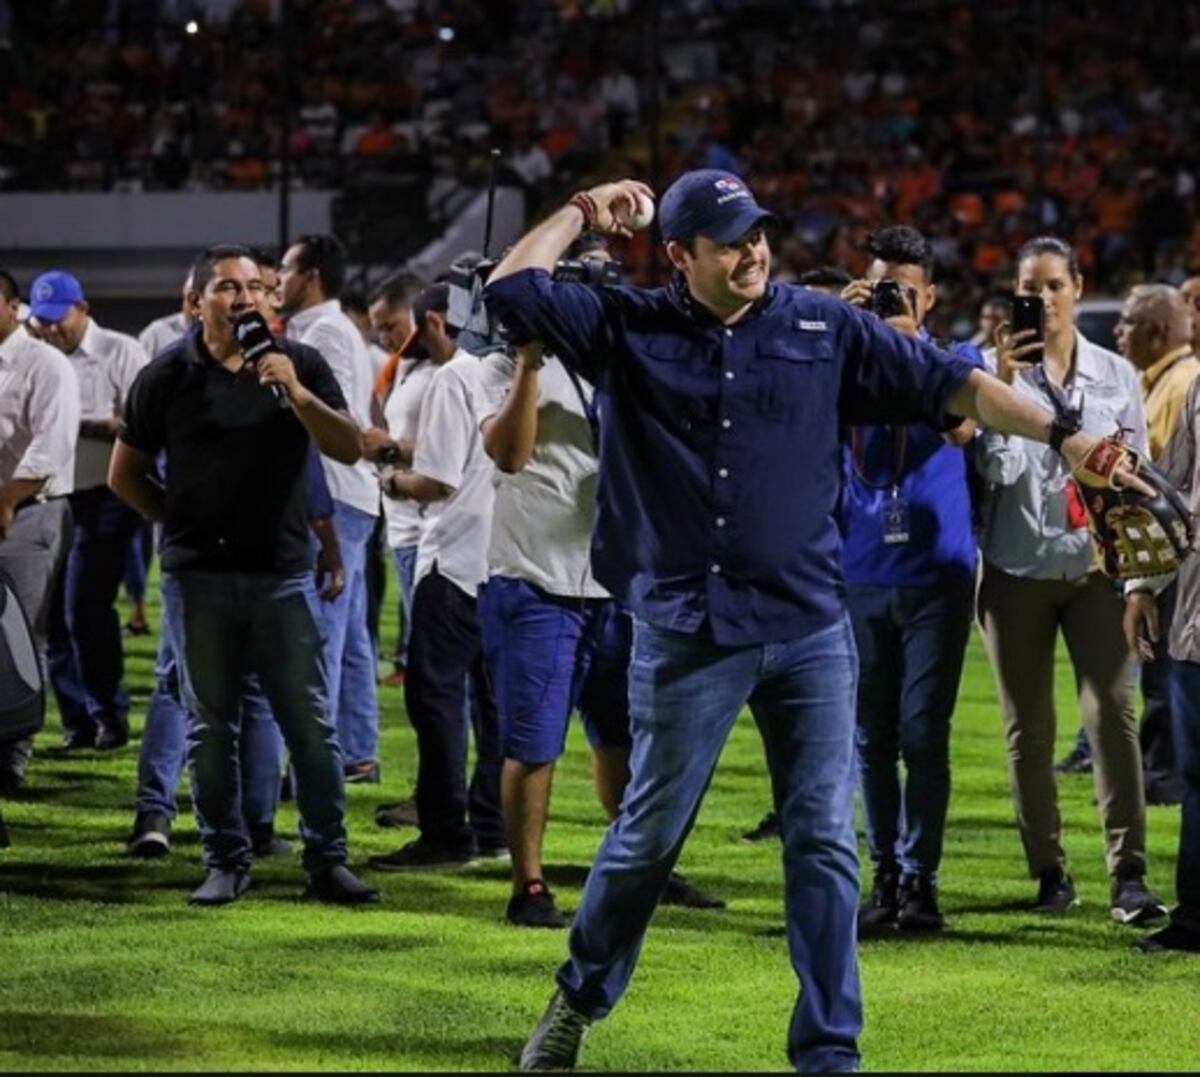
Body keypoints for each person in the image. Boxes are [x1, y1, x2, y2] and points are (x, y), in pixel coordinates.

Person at [483, 170, 1139, 1073]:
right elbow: (511, 289)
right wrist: (586, 212)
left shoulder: (821, 325)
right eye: (729, 239)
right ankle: (579, 996)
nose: (754, 250)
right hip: (688, 633)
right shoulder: (628, 324)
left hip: (807, 629)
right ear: (679, 255)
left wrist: (1064, 435)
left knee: (827, 842)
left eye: (759, 233)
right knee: (645, 839)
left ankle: (829, 1050)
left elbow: (955, 383)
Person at [108, 244, 377, 907]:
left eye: (257, 285)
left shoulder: (301, 363)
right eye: (228, 286)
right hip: (199, 578)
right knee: (210, 728)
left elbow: (348, 446)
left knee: (310, 727)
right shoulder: (166, 373)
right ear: (199, 301)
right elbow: (124, 472)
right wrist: (181, 523)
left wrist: (297, 392)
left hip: (283, 575)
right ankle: (224, 857)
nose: (246, 296)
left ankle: (327, 858)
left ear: (273, 299)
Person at [475, 246, 723, 928]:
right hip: (536, 582)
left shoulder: (623, 362)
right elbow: (509, 452)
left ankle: (640, 869)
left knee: (626, 737)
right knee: (533, 742)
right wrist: (529, 360)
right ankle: (527, 885)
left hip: (618, 582)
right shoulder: (498, 362)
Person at [976, 236, 1167, 924]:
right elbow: (994, 474)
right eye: (1031, 288)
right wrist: (999, 384)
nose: (1044, 300)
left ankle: (1130, 874)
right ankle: (1050, 870)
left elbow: (1138, 476)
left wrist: (1141, 577)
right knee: (1028, 727)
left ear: (1079, 287)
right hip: (1017, 565)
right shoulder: (993, 371)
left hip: (1094, 568)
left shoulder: (1117, 373)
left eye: (1055, 285)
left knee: (1112, 716)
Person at [839, 226, 982, 934]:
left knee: (924, 731)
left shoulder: (959, 359)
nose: (893, 297)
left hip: (936, 574)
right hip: (859, 572)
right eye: (881, 286)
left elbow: (960, 427)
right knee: (870, 737)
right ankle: (885, 876)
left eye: (904, 288)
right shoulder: (845, 364)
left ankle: (921, 876)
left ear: (929, 297)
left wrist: (905, 342)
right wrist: (843, 324)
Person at [366, 283, 506, 870]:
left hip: (453, 557)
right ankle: (495, 825)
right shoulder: (524, 372)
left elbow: (439, 480)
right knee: (495, 706)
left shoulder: (459, 376)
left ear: (434, 322)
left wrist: (392, 480)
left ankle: (447, 832)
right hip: (509, 563)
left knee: (436, 698)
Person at [27, 269, 149, 751]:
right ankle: (78, 719)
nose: (53, 330)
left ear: (83, 309)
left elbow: (143, 424)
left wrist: (89, 425)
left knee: (85, 608)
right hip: (52, 494)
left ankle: (107, 711)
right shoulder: (38, 358)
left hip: (105, 496)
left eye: (59, 320)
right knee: (52, 613)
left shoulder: (121, 352)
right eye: (43, 322)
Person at [279, 234, 383, 785]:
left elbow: (331, 421)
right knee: (349, 638)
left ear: (312, 274)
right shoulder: (337, 328)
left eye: (286, 267)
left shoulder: (324, 332)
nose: (278, 277)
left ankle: (312, 763)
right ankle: (357, 751)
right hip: (353, 494)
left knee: (321, 634)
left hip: (336, 494)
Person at [1113, 284, 1199, 805]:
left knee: (1163, 682)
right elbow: (1170, 487)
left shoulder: (1181, 384)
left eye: (1126, 322)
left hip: (1180, 573)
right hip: (1179, 577)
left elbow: (1158, 486)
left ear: (1156, 330)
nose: (1118, 333)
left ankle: (1161, 769)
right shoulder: (1180, 386)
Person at [1126, 373, 1200, 953]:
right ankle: (1196, 916)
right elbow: (1171, 491)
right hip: (1197, 620)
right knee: (1196, 775)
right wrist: (1143, 583)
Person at [0, 269, 80, 796]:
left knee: (19, 636)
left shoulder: (43, 364)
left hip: (28, 513)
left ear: (12, 307)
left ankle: (11, 759)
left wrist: (6, 499)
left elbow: (50, 447)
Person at [365, 269, 427, 693]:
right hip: (406, 529)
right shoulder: (400, 368)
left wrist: (388, 453)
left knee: (439, 671)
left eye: (391, 325)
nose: (385, 336)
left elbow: (450, 451)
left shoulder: (447, 369)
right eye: (379, 329)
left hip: (429, 530)